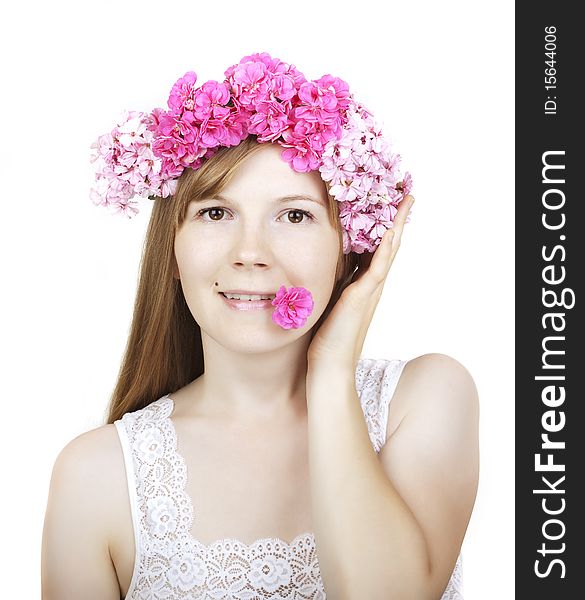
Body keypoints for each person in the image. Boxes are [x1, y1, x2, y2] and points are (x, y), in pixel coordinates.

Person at [41, 53, 479, 600]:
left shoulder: (426, 399)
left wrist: (331, 372)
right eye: (216, 213)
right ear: (171, 245)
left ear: (349, 248)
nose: (250, 254)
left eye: (294, 215)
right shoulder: (96, 475)